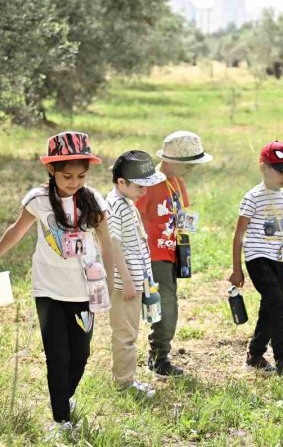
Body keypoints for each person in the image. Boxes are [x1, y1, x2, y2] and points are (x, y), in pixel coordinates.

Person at [0, 131, 117, 434]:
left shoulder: (93, 200)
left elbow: (106, 243)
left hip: (85, 290)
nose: (74, 182)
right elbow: (17, 230)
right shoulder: (38, 200)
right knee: (57, 355)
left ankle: (65, 398)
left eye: (81, 175)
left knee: (81, 354)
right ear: (51, 170)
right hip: (49, 291)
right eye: (67, 175)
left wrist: (108, 279)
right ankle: (60, 418)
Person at [229, 141, 283, 380]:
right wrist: (237, 270)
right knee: (277, 303)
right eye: (280, 171)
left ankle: (255, 356)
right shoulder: (252, 197)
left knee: (270, 307)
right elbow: (238, 236)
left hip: (279, 260)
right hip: (258, 259)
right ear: (263, 168)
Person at [135, 130, 212, 377]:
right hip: (153, 253)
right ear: (172, 161)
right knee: (167, 304)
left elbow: (178, 214)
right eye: (188, 165)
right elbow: (133, 215)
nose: (191, 170)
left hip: (172, 251)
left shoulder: (176, 182)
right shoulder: (148, 183)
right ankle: (158, 358)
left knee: (168, 301)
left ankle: (159, 355)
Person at [106, 150, 166, 399]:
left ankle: (127, 378)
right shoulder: (114, 207)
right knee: (125, 334)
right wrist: (128, 281)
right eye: (140, 186)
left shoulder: (126, 203)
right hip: (124, 283)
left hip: (135, 279)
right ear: (122, 182)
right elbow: (113, 244)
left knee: (131, 331)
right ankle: (124, 383)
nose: (144, 191)